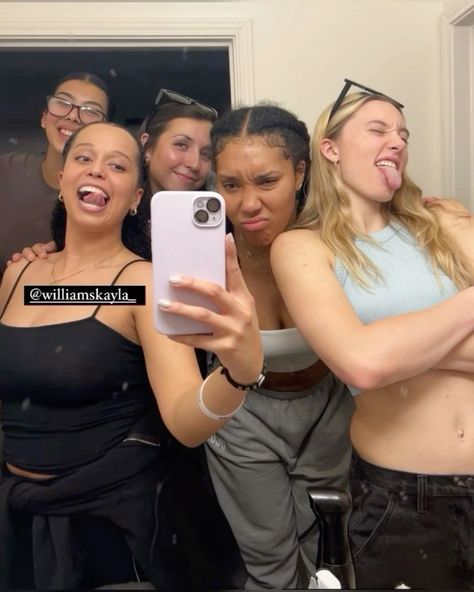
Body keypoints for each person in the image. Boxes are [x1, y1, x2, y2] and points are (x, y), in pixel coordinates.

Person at [0, 121, 263, 590]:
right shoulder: (21, 277)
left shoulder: (142, 283)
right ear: (62, 178)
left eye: (117, 166)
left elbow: (185, 422)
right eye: (84, 158)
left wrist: (239, 374)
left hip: (107, 530)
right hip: (19, 523)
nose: (97, 171)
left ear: (137, 197)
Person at [270, 82, 474, 589]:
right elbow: (360, 364)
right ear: (331, 149)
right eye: (378, 129)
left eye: (403, 134)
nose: (397, 141)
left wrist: (388, 344)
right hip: (403, 503)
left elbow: (373, 354)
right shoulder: (302, 247)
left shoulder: (443, 221)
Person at [205, 104, 355, 590]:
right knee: (267, 562)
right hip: (241, 415)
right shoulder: (205, 255)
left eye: (267, 181)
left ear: (300, 172)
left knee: (330, 555)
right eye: (230, 185)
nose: (248, 203)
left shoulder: (336, 241)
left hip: (327, 410)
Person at [0, 72, 110, 275]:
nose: (72, 116)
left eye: (90, 111)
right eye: (62, 103)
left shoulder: (113, 192)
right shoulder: (6, 170)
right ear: (44, 117)